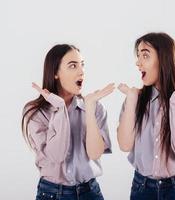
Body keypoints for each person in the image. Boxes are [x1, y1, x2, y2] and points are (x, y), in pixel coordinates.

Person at [117, 32, 175, 200]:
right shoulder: (134, 99)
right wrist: (130, 100)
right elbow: (124, 145)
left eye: (145, 55)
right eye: (138, 56)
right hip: (142, 189)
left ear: (164, 59)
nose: (138, 63)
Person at [22, 44, 113, 200]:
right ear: (55, 73)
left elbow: (95, 153)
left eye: (82, 65)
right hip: (52, 193)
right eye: (73, 66)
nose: (81, 71)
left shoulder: (94, 107)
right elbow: (56, 156)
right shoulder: (36, 113)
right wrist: (60, 109)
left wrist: (89, 109)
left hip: (90, 192)